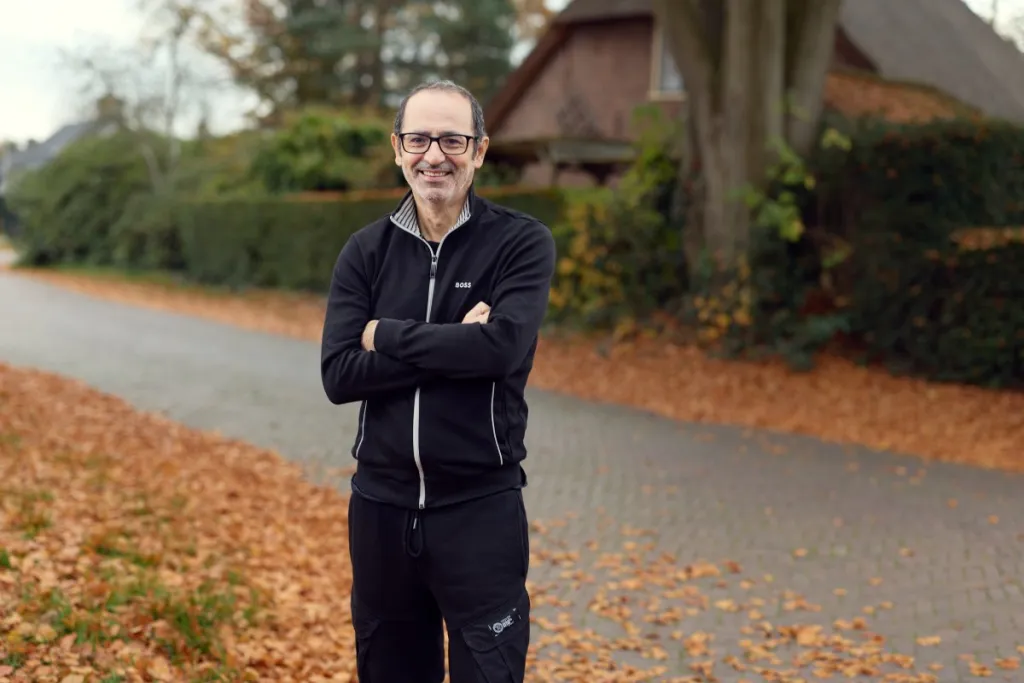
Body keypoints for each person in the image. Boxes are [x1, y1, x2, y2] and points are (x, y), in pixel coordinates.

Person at [320, 80, 556, 682]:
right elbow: (340, 374)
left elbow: (500, 350)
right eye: (420, 138)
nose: (435, 155)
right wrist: (456, 338)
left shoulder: (520, 243)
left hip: (480, 510)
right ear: (398, 147)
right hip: (380, 513)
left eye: (453, 139)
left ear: (479, 151)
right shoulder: (364, 251)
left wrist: (387, 333)